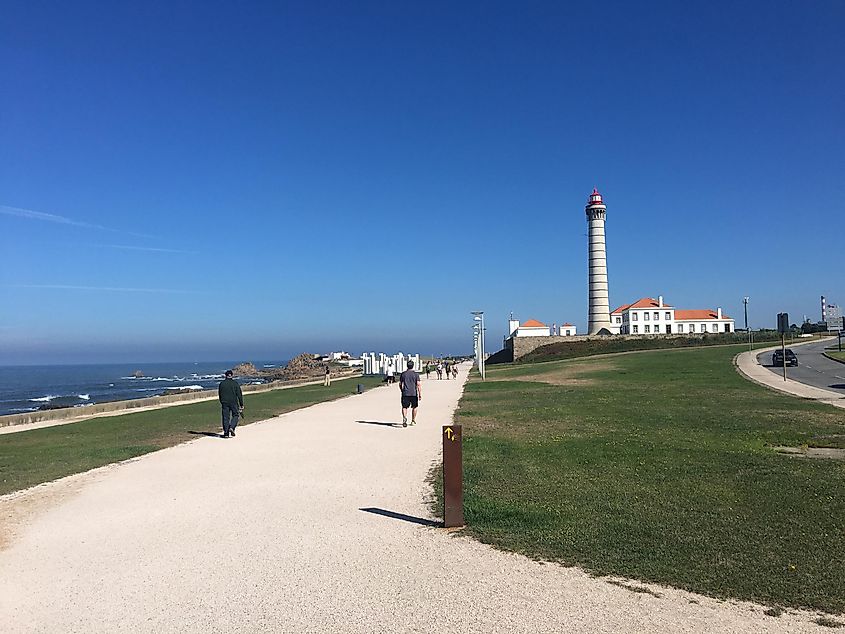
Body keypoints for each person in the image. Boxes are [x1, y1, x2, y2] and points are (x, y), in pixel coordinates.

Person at [218, 369, 244, 438]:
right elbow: (239, 394)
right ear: (232, 375)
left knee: (225, 417)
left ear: (225, 376)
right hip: (233, 402)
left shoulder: (221, 384)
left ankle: (226, 433)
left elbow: (220, 394)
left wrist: (221, 402)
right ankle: (232, 427)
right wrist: (241, 404)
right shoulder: (235, 383)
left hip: (224, 402)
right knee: (235, 415)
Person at [398, 360, 422, 427]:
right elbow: (418, 384)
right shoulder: (416, 374)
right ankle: (413, 420)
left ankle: (404, 418)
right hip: (413, 393)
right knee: (414, 407)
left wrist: (402, 390)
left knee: (404, 407)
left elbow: (400, 384)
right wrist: (420, 394)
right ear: (413, 366)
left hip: (405, 393)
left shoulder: (403, 374)